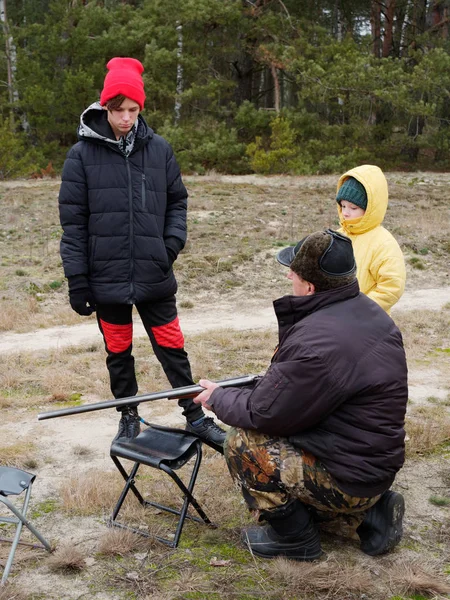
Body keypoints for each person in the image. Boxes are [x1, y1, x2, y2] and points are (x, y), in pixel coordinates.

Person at [193, 229, 408, 561]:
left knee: (242, 443)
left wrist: (217, 398)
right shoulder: (369, 312)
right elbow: (295, 393)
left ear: (310, 286)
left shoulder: (318, 342)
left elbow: (266, 414)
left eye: (293, 271)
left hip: (351, 477)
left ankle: (296, 540)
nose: (288, 274)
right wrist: (240, 390)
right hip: (372, 466)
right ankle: (369, 514)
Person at [58, 57, 225, 446]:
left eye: (134, 110)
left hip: (154, 274)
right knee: (119, 352)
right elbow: (74, 224)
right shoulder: (80, 157)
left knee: (173, 348)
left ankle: (195, 416)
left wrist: (170, 245)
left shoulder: (160, 150)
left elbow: (178, 202)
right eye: (119, 110)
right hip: (106, 279)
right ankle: (129, 415)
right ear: (105, 107)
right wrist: (78, 280)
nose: (127, 118)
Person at [336, 164, 406, 313]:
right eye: (343, 206)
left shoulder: (383, 243)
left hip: (368, 322)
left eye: (353, 208)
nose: (346, 213)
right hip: (335, 319)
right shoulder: (337, 235)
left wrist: (360, 308)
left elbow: (392, 287)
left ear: (370, 208)